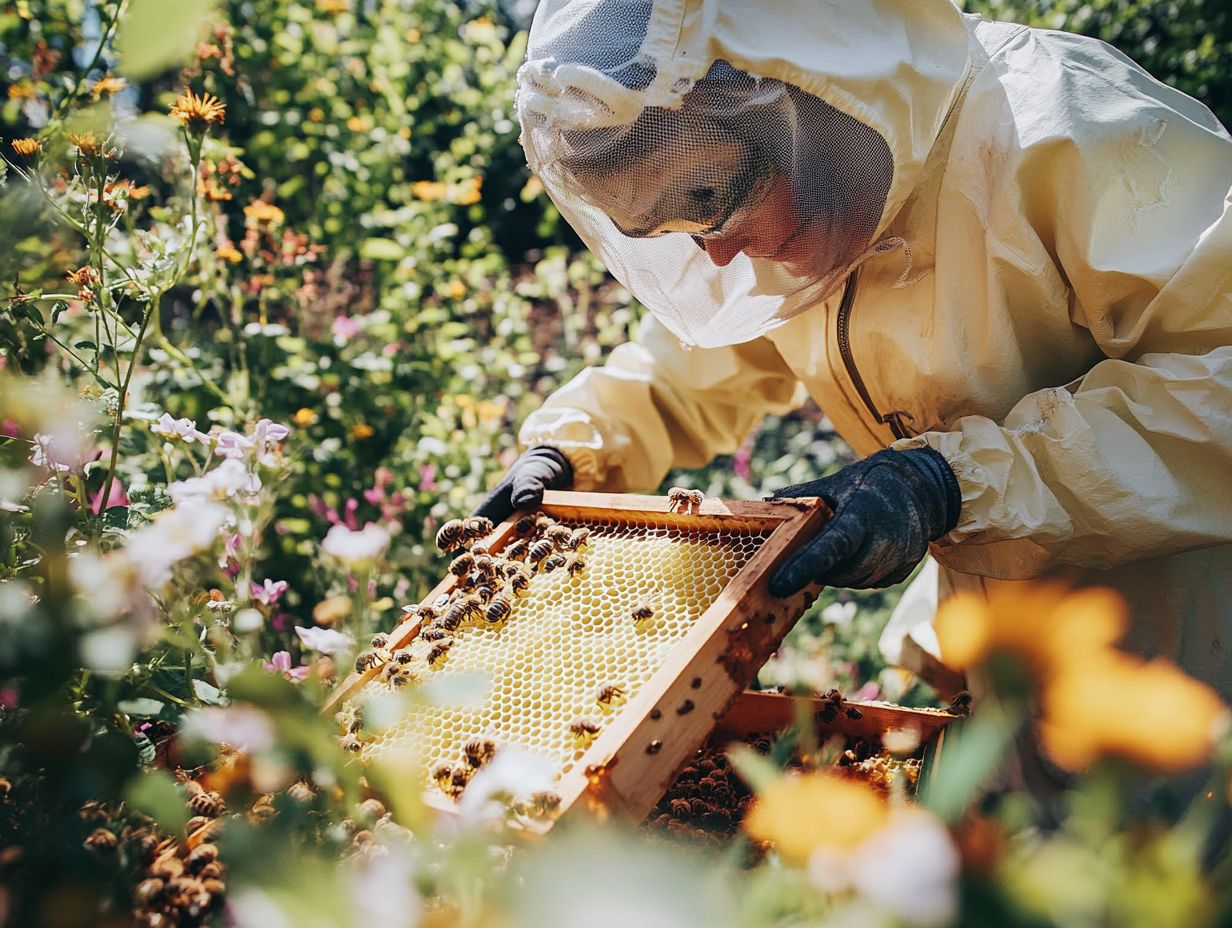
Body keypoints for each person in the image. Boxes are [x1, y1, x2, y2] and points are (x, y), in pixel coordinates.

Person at [475, 0, 1232, 721]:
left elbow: (1219, 386)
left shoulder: (1069, 131)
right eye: (677, 225)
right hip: (1002, 659)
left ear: (799, 95)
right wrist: (575, 447)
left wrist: (951, 483)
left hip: (1189, 661)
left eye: (708, 195)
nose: (717, 251)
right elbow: (693, 367)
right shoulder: (804, 211)